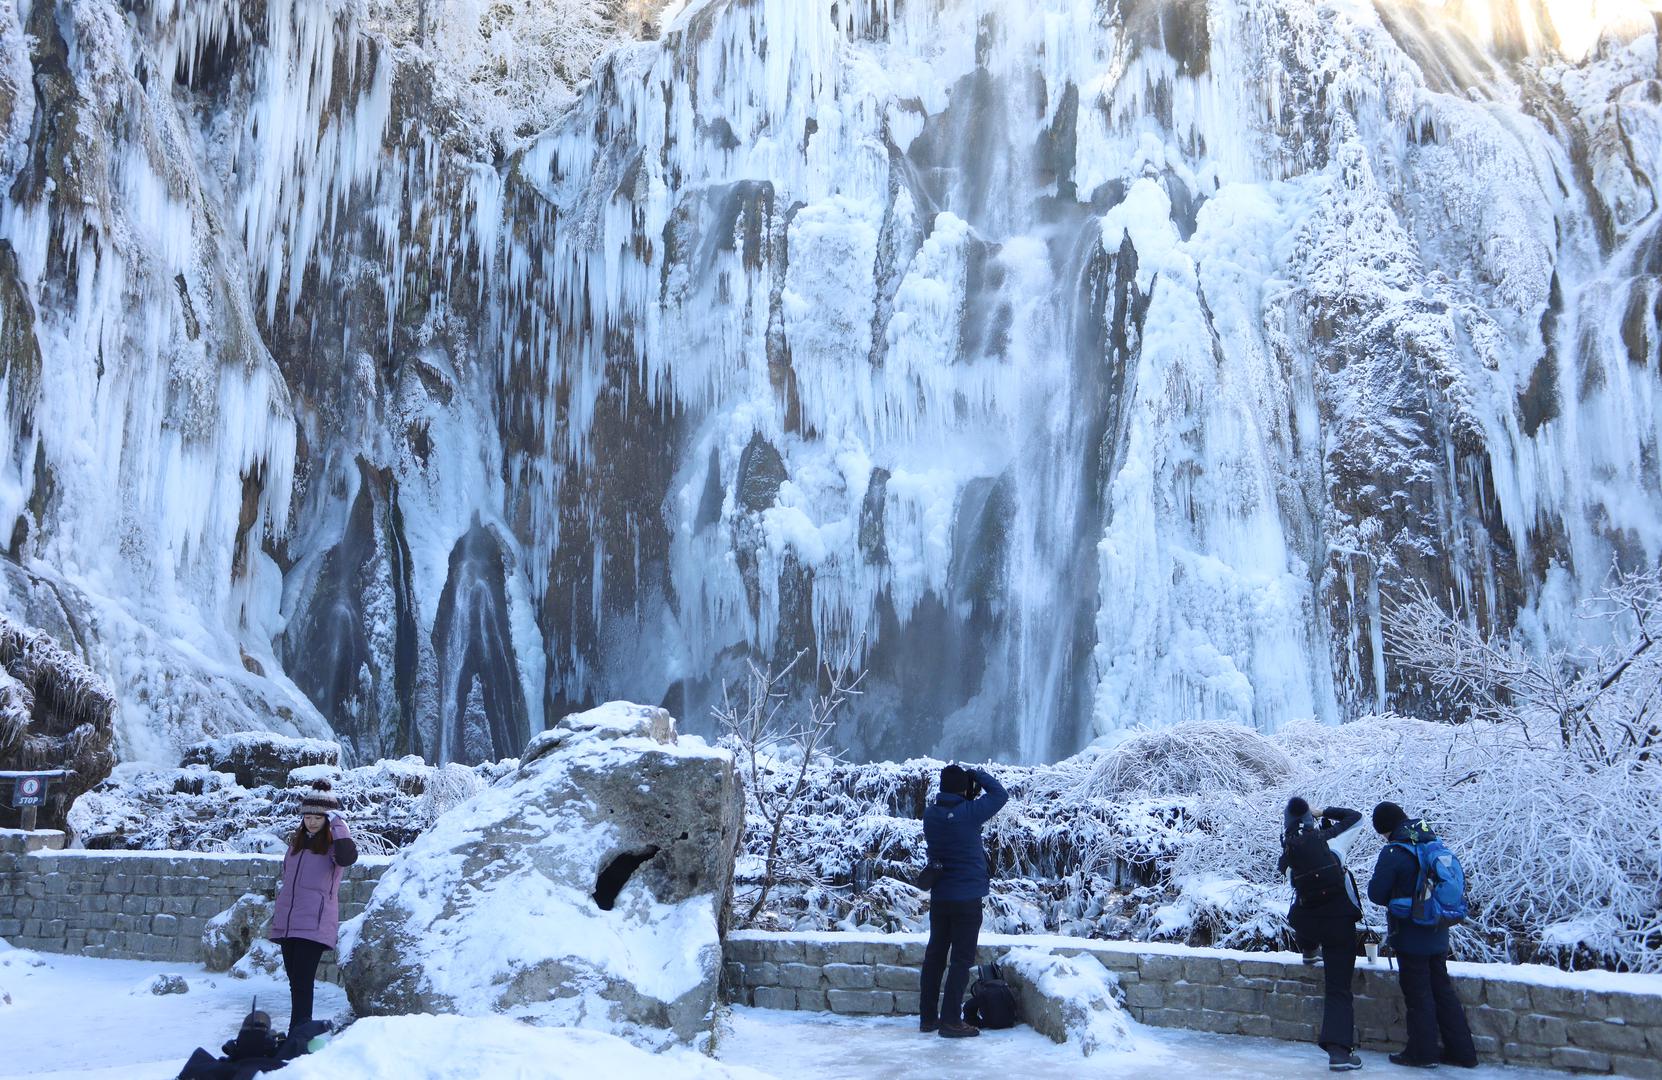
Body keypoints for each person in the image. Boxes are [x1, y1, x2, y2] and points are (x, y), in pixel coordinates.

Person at [1366, 801, 1477, 1069]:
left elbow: (1376, 893)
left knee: (1418, 994)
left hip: (1411, 933)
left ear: (1385, 828)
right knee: (1442, 990)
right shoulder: (1433, 843)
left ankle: (1422, 1053)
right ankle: (1463, 1053)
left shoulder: (1394, 851)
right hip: (1438, 930)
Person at [919, 763, 1008, 1038]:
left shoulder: (931, 815)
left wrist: (965, 786)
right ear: (964, 789)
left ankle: (928, 1018)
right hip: (967, 899)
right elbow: (1000, 794)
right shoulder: (969, 813)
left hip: (941, 896)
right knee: (960, 960)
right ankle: (950, 1021)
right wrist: (978, 774)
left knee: (935, 956)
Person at [1277, 797, 1364, 1071]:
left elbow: (1289, 879)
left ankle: (1308, 950)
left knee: (1299, 915)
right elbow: (1356, 817)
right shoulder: (1330, 839)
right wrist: (1323, 812)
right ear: (1309, 821)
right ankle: (1339, 1052)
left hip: (1310, 921)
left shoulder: (1288, 855)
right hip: (1339, 921)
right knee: (1339, 988)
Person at [269, 780, 357, 1034]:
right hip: (289, 923)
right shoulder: (295, 846)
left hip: (315, 923)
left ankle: (299, 1032)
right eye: (307, 816)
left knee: (303, 981)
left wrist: (339, 824)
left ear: (328, 819)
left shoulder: (333, 847)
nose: (312, 822)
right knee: (295, 981)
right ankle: (300, 1030)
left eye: (318, 818)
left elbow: (348, 857)